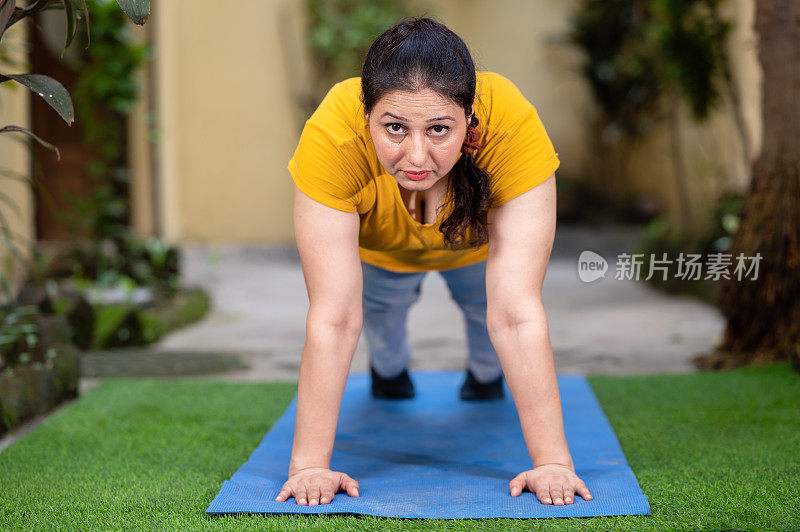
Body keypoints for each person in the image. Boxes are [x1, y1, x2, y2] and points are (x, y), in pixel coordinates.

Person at [275, 17, 593, 508]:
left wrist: (553, 462)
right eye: (395, 128)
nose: (416, 156)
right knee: (383, 313)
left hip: (474, 244)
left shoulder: (508, 125)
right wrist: (309, 466)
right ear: (367, 119)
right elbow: (335, 318)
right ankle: (390, 371)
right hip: (379, 248)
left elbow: (515, 312)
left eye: (439, 129)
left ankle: (484, 378)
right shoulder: (333, 137)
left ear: (470, 122)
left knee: (483, 310)